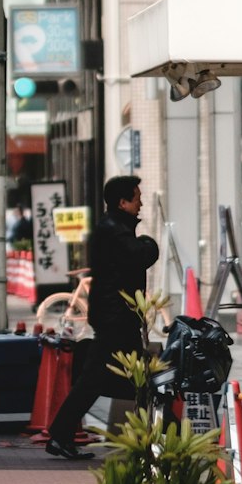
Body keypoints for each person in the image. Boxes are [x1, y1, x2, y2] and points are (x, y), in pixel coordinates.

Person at [45, 174, 160, 460]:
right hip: (116, 319)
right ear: (122, 203)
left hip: (115, 317)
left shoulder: (113, 227)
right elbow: (140, 255)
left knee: (105, 380)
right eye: (136, 197)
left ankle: (63, 436)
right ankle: (145, 442)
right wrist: (150, 243)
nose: (141, 202)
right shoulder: (115, 231)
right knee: (135, 379)